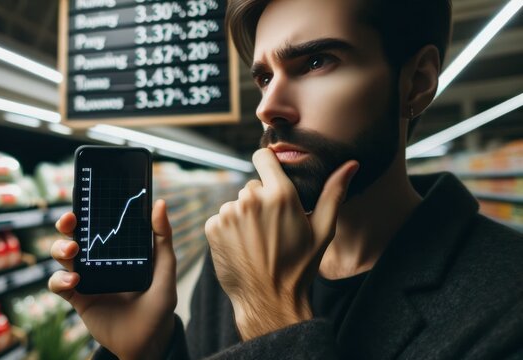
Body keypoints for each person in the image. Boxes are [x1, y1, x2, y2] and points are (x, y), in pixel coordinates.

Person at [48, 0, 523, 358]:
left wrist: (272, 319)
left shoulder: (506, 300)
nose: (267, 107)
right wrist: (151, 351)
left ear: (416, 81)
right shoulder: (230, 260)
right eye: (264, 77)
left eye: (316, 62)